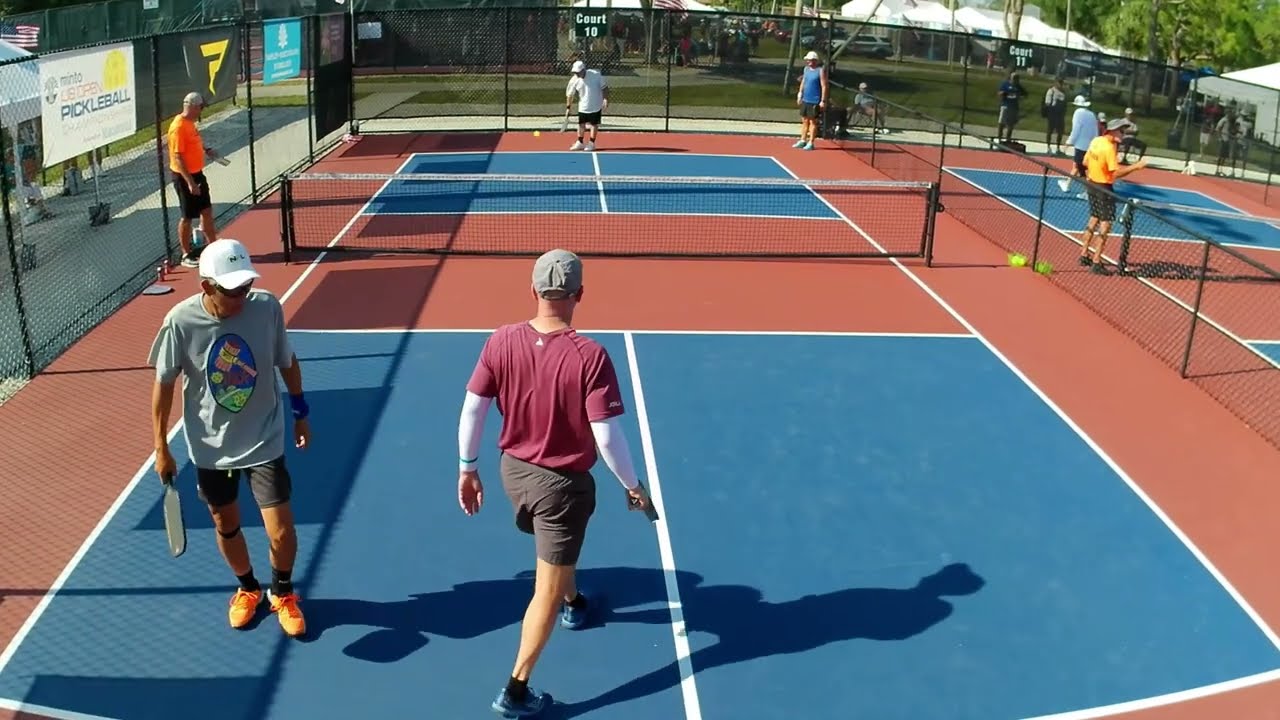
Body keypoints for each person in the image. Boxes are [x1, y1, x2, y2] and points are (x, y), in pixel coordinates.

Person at [456, 248, 653, 717]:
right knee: (544, 581)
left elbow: (472, 409)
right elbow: (606, 436)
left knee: (555, 554)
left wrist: (467, 468)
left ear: (533, 291)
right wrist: (632, 485)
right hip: (561, 487)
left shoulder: (501, 340)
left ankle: (576, 601)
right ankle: (516, 689)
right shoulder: (590, 356)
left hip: (513, 474)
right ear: (579, 294)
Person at [147, 238, 310, 637]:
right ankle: (248, 587)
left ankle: (283, 592)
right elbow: (164, 384)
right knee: (226, 523)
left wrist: (301, 412)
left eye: (246, 287)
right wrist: (161, 447)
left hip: (264, 437)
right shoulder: (180, 322)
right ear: (207, 287)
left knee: (281, 529)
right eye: (233, 290)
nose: (242, 295)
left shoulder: (266, 306)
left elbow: (286, 360)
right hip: (210, 448)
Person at [1079, 118, 1148, 273]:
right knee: (1106, 223)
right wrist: (1136, 166)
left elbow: (1085, 162)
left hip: (1091, 184)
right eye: (1121, 131)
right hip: (1104, 187)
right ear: (1112, 130)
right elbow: (1115, 173)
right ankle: (1096, 262)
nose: (1123, 135)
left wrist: (1096, 170)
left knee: (1094, 217)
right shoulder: (1110, 147)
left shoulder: (1096, 141)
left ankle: (1084, 254)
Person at [168, 91, 220, 268]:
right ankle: (186, 254)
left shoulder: (190, 124)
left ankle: (214, 246)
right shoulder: (178, 127)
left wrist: (206, 149)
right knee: (187, 216)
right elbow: (178, 158)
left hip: (198, 173)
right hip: (184, 177)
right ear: (192, 106)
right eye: (200, 107)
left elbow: (195, 141)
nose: (201, 111)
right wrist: (190, 183)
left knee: (206, 210)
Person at [566, 60, 609, 152]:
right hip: (583, 106)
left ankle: (591, 143)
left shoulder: (596, 75)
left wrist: (605, 99)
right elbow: (570, 94)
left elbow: (605, 88)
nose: (576, 74)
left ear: (583, 70)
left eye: (578, 72)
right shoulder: (574, 80)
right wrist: (568, 108)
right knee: (581, 125)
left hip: (596, 105)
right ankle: (580, 142)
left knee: (594, 124)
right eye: (575, 72)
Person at [1059, 95, 1097, 195]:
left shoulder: (1078, 113)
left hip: (1081, 145)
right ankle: (1067, 184)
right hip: (1090, 146)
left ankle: (1088, 192)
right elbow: (1095, 131)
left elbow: (1076, 129)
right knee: (1077, 166)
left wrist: (1068, 142)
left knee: (1081, 169)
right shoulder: (1092, 115)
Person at [792, 50, 827, 151]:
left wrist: (822, 100)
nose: (809, 62)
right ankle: (803, 140)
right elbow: (803, 82)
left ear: (815, 61)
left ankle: (811, 142)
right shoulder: (806, 69)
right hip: (805, 99)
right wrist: (799, 95)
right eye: (808, 60)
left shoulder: (820, 71)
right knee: (804, 120)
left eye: (811, 60)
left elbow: (824, 86)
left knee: (813, 122)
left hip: (814, 100)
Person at [996, 71, 1025, 143]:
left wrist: (1020, 97)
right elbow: (999, 93)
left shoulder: (1019, 87)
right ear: (1011, 78)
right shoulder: (1005, 84)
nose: (1015, 80)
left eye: (1017, 79)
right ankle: (999, 138)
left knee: (1011, 124)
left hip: (1014, 107)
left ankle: (1008, 139)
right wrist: (1003, 93)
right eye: (1014, 78)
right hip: (1005, 106)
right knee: (1001, 123)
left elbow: (1024, 95)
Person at [1042, 79, 1067, 155]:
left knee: (1060, 132)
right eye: (1059, 83)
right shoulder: (1051, 91)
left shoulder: (1063, 93)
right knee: (1050, 131)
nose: (1061, 85)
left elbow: (1065, 103)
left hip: (1060, 115)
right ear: (1056, 83)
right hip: (1052, 114)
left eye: (1062, 83)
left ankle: (1058, 148)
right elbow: (1047, 103)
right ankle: (1048, 148)